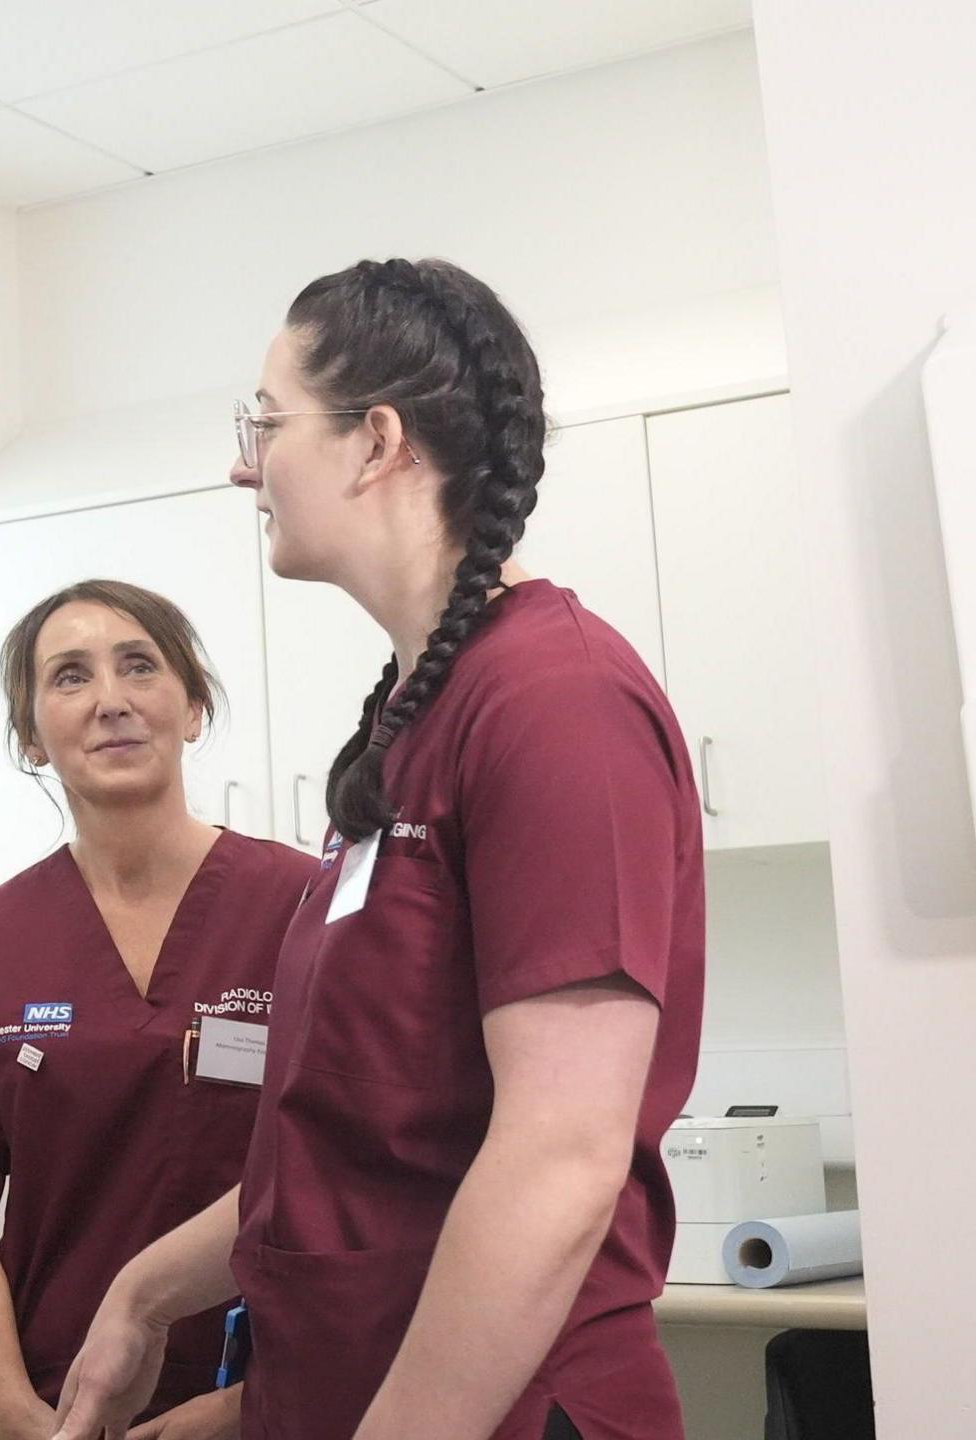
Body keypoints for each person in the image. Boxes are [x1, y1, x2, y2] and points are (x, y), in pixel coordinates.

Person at [52, 259, 706, 1440]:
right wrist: (141, 1300)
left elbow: (559, 1162)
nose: (242, 464)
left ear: (374, 442)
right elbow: (354, 1148)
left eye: (265, 422)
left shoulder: (554, 701)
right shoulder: (409, 718)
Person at [0, 580, 319, 1440]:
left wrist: (249, 1409)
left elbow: (364, 1180)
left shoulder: (303, 907)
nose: (110, 700)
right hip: (51, 1406)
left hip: (267, 1401)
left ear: (193, 708)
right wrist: (11, 1409)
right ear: (30, 737)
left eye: (139, 667)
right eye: (70, 677)